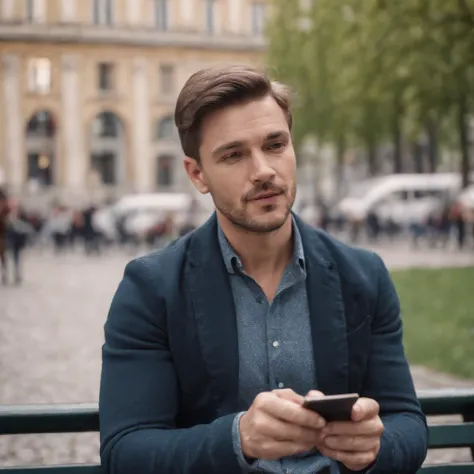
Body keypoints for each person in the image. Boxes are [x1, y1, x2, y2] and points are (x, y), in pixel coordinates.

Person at [99, 66, 428, 474]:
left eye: (275, 145)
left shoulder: (362, 275)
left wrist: (376, 447)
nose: (263, 171)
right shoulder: (151, 289)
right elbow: (126, 450)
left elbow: (407, 423)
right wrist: (238, 440)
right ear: (197, 174)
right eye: (233, 155)